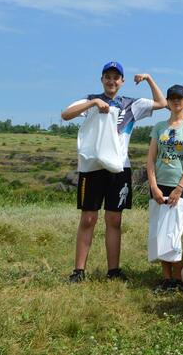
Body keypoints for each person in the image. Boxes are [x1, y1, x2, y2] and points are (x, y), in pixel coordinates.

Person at [62, 61, 166, 282]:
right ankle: (78, 271)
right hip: (91, 168)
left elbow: (161, 102)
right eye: (107, 77)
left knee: (114, 219)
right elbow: (66, 114)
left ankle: (114, 271)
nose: (111, 81)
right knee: (88, 218)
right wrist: (94, 103)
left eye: (116, 77)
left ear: (122, 81)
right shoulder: (90, 99)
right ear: (102, 79)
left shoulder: (130, 104)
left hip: (119, 168)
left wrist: (148, 78)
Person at [146, 84, 183, 291]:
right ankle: (166, 277)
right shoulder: (159, 127)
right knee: (160, 230)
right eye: (172, 98)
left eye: (180, 98)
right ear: (168, 103)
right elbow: (151, 158)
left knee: (175, 231)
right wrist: (153, 185)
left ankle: (178, 278)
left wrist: (180, 187)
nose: (176, 101)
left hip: (179, 185)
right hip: (159, 185)